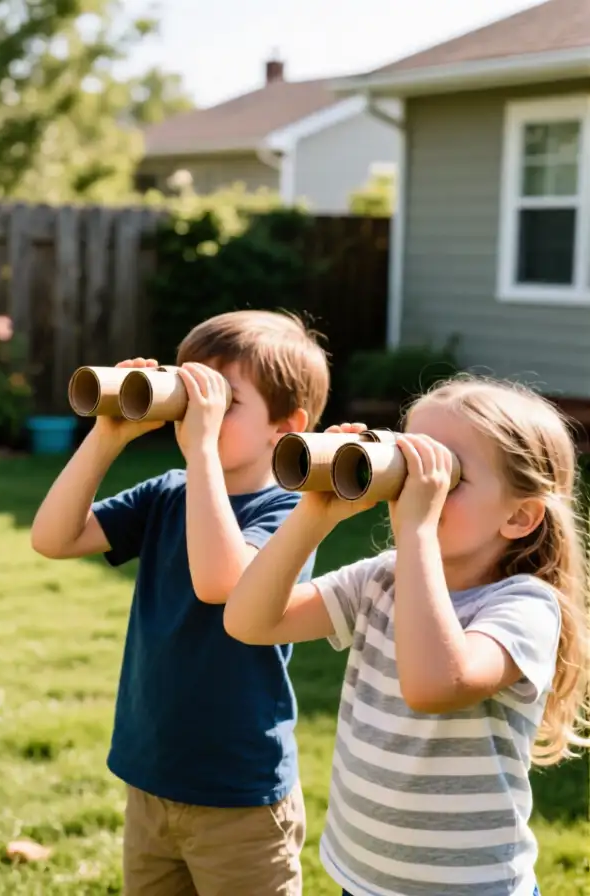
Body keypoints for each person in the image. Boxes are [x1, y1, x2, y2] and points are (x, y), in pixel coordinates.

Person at [224, 375, 590, 896]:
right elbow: (250, 621)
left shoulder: (525, 607)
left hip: (469, 886)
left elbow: (433, 684)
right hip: (364, 875)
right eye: (409, 463)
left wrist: (418, 530)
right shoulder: (384, 577)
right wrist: (314, 513)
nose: (418, 487)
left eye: (446, 476)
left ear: (519, 515)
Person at [31, 309, 331, 896]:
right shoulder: (170, 493)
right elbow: (53, 537)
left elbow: (220, 583)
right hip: (151, 775)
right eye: (190, 386)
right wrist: (106, 436)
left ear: (285, 425)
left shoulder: (291, 512)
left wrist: (201, 454)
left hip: (239, 793)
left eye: (222, 399)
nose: (199, 410)